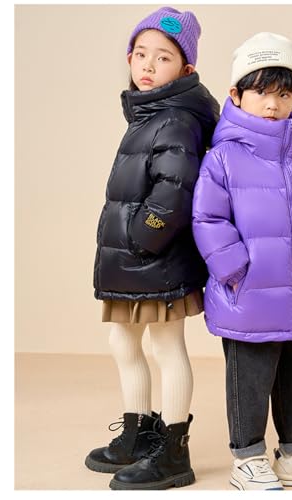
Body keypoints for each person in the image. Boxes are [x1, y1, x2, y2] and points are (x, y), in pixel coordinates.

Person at [192, 32, 292, 491]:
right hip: (248, 295)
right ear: (236, 94)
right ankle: (248, 459)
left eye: (284, 94)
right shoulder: (223, 159)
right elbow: (208, 218)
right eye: (262, 91)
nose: (272, 103)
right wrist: (235, 271)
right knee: (251, 375)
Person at [86, 7, 219, 490]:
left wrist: (144, 236)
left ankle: (174, 450)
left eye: (162, 57)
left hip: (156, 259)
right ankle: (139, 434)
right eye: (140, 53)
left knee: (166, 346)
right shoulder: (149, 113)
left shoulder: (176, 118)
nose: (147, 65)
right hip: (133, 261)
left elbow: (174, 190)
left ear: (184, 70)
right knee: (123, 342)